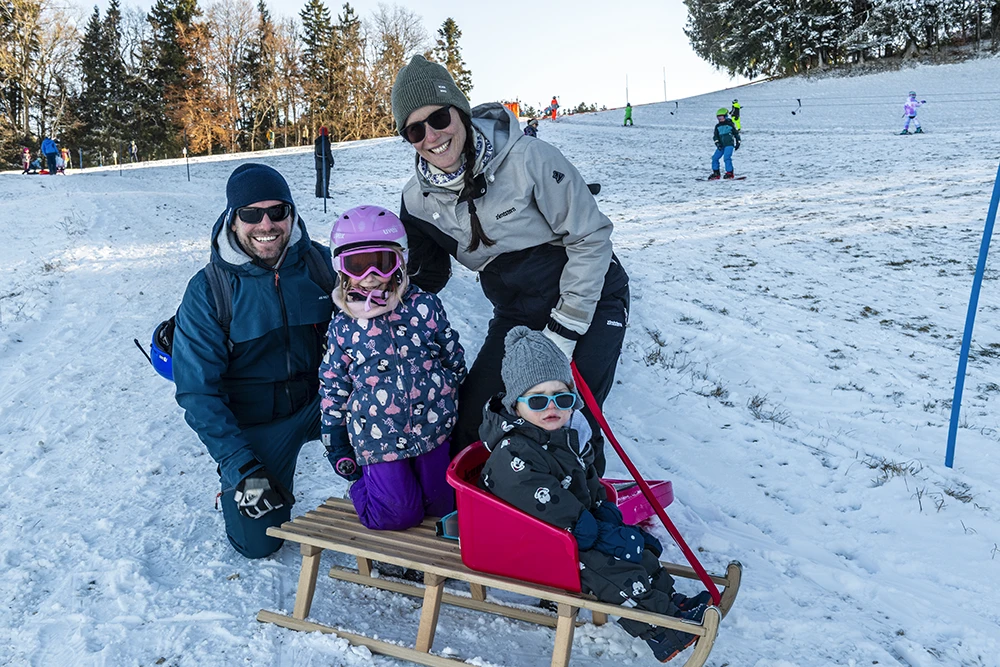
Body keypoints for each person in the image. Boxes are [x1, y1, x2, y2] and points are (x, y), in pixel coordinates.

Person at [392, 55, 629, 475]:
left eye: (440, 117)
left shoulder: (529, 159)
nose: (432, 136)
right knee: (474, 418)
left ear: (460, 113)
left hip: (590, 299)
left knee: (568, 419)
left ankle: (579, 517)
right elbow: (430, 275)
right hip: (517, 312)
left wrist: (566, 327)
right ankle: (477, 511)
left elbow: (590, 237)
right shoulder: (416, 202)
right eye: (415, 129)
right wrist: (382, 285)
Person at [479, 327, 710, 663]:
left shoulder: (564, 437)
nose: (552, 408)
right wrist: (598, 532)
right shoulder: (514, 454)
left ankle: (670, 604)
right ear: (516, 405)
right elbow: (547, 503)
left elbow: (587, 484)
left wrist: (606, 516)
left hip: (568, 533)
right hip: (536, 544)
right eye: (539, 400)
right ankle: (662, 631)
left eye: (563, 398)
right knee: (608, 570)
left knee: (639, 550)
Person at [172, 163, 334, 559]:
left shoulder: (322, 265)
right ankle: (234, 482)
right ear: (233, 219)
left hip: (323, 404)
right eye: (251, 214)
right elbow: (197, 392)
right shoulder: (209, 290)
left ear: (291, 214)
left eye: (278, 211)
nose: (267, 224)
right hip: (257, 423)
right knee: (259, 544)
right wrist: (241, 464)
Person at [319, 205, 467, 530]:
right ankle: (364, 489)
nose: (369, 275)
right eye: (356, 265)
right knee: (398, 513)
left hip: (433, 426)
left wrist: (457, 396)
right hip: (378, 438)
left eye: (381, 262)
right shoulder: (344, 325)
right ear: (340, 267)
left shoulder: (424, 306)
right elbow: (333, 383)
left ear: (400, 260)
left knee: (442, 504)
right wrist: (333, 432)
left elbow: (451, 354)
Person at [709, 108, 740, 180]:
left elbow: (736, 134)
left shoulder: (730, 125)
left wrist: (738, 142)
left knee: (726, 158)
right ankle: (716, 173)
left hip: (729, 145)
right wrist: (717, 144)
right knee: (715, 158)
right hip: (721, 145)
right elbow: (715, 136)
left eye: (721, 117)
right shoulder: (718, 126)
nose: (720, 119)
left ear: (726, 116)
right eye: (718, 117)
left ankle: (729, 173)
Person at [314, 126, 334, 199]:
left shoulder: (317, 141)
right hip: (325, 163)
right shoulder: (326, 141)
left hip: (318, 163)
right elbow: (328, 152)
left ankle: (318, 193)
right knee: (325, 179)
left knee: (319, 179)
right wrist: (331, 161)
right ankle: (325, 194)